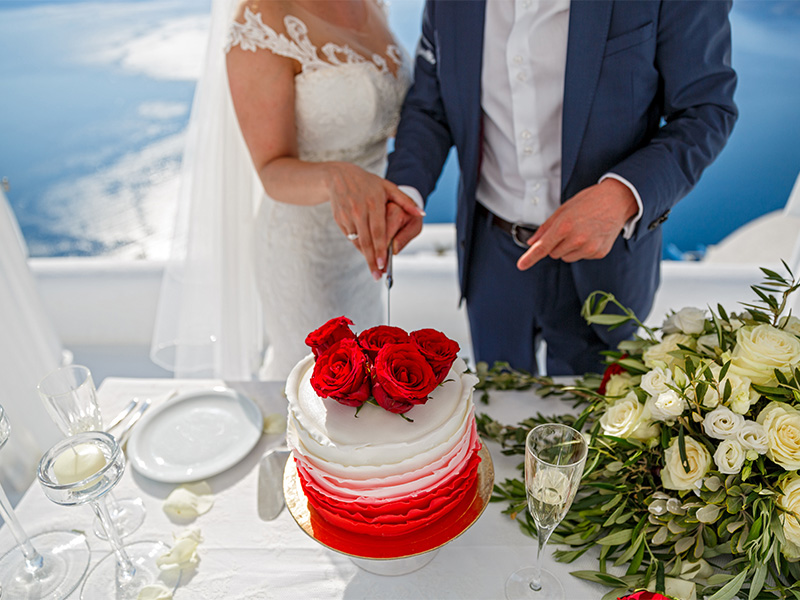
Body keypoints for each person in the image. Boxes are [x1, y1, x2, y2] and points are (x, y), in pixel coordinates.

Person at [359, 0, 738, 376]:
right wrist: (406, 190)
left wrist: (621, 196)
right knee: (497, 413)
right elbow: (431, 105)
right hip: (491, 258)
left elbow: (705, 110)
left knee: (596, 427)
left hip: (606, 264)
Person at [150, 0, 419, 381]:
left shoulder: (372, 5)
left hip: (363, 246)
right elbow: (271, 169)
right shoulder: (261, 21)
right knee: (319, 390)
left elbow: (387, 114)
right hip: (304, 254)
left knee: (369, 383)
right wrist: (335, 176)